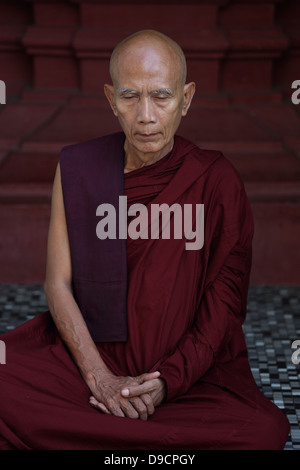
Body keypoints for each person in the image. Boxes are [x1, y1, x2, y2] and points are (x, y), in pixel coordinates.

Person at [0, 29, 290, 450]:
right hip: (90, 359)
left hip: (187, 375)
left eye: (161, 96)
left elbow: (224, 303)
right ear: (110, 99)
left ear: (186, 99)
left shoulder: (215, 180)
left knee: (262, 433)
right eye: (130, 96)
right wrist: (99, 378)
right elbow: (57, 284)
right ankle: (129, 435)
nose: (146, 116)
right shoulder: (78, 167)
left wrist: (168, 381)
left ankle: (106, 436)